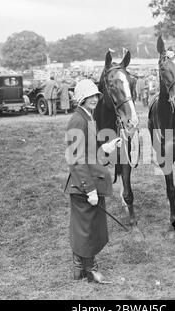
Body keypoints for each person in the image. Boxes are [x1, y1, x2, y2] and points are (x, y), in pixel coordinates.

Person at [63, 79, 122, 283]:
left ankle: (80, 269)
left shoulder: (87, 118)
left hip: (84, 183)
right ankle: (90, 270)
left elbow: (88, 153)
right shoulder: (78, 120)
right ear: (81, 98)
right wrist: (90, 190)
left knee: (87, 227)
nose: (94, 99)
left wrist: (105, 149)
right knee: (88, 229)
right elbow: (76, 160)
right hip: (83, 186)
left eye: (96, 95)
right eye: (90, 96)